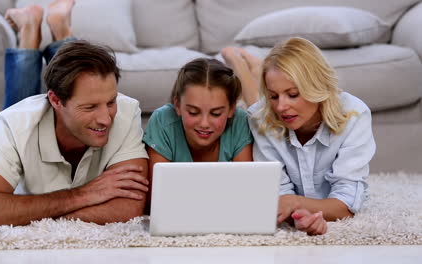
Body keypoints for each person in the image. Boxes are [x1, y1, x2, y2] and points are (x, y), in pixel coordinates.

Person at [0, 0, 149, 227]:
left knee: (70, 77)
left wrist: (28, 214)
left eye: (111, 102)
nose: (106, 118)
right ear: (54, 100)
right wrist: (85, 194)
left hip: (50, 115)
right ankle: (31, 31)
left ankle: (55, 27)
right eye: (90, 107)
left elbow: (128, 208)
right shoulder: (14, 123)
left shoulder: (127, 111)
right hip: (32, 119)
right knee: (21, 102)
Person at [222, 37, 376, 235]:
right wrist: (298, 215)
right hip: (261, 113)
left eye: (293, 94)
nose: (281, 107)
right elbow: (280, 197)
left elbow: (347, 204)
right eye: (274, 95)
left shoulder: (355, 114)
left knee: (259, 106)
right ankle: (239, 64)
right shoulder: (260, 116)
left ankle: (249, 65)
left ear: (317, 87)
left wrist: (296, 203)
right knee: (258, 111)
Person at [142, 58, 254, 209]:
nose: (204, 124)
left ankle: (246, 63)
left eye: (215, 114)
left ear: (231, 109)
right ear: (177, 105)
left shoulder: (240, 121)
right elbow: (156, 199)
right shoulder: (163, 121)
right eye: (193, 112)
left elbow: (246, 191)